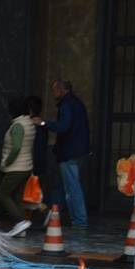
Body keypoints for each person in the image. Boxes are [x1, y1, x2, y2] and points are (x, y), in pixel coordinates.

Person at [32, 79, 90, 228]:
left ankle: (79, 221)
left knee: (72, 187)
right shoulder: (77, 103)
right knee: (60, 185)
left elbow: (63, 127)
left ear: (61, 90)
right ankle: (54, 213)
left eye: (54, 90)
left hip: (69, 152)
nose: (53, 93)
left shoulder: (66, 105)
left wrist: (44, 123)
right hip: (78, 150)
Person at [0, 96, 35, 237]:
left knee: (2, 194)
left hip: (15, 168)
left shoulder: (18, 126)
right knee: (17, 197)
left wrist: (7, 161)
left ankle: (20, 222)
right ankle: (21, 230)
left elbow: (16, 147)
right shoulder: (29, 123)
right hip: (26, 166)